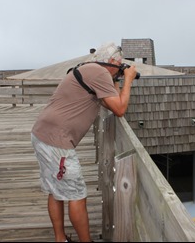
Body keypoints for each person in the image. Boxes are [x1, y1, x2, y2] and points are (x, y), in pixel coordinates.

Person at [31, 42, 138, 242]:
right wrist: (129, 79)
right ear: (112, 62)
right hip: (57, 142)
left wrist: (117, 78)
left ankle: (60, 238)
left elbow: (111, 101)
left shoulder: (91, 70)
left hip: (42, 133)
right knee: (76, 195)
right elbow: (120, 109)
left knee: (55, 190)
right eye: (120, 64)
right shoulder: (99, 73)